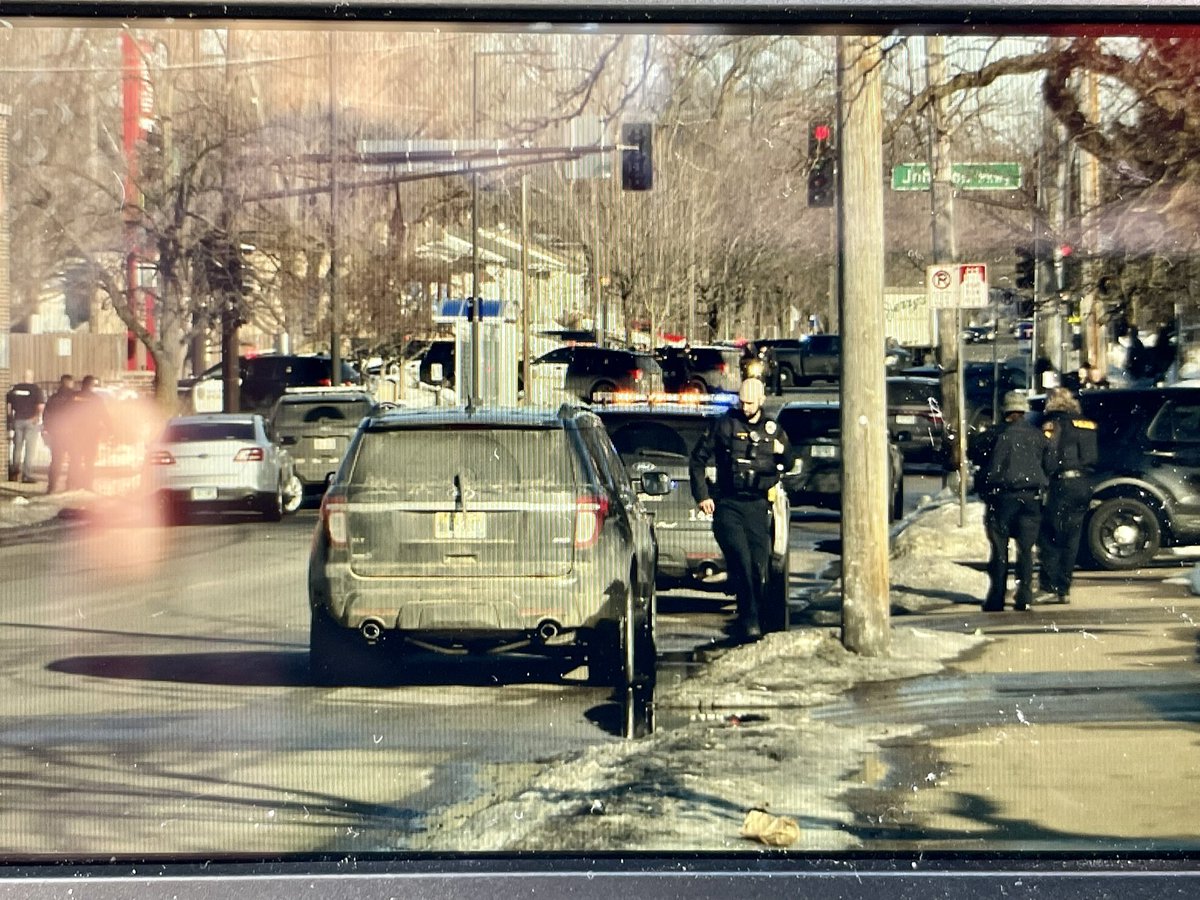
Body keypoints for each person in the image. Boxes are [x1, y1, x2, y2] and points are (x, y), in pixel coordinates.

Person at [689, 377, 793, 641]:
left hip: (758, 507)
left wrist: (782, 453)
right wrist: (702, 496)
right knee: (743, 562)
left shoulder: (773, 430)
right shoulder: (724, 425)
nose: (745, 407)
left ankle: (761, 619)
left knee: (760, 566)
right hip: (729, 506)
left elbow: (789, 461)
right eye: (742, 401)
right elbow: (697, 460)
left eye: (750, 402)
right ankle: (748, 621)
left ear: (761, 401)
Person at [977, 391, 1056, 613]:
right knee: (1026, 549)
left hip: (1001, 497)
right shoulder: (1038, 435)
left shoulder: (996, 434)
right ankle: (1025, 596)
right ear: (1023, 410)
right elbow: (1049, 465)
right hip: (1031, 498)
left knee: (999, 551)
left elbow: (978, 455)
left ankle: (996, 598)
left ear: (1005, 411)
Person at [1037, 387, 1099, 604]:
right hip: (1083, 483)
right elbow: (1092, 456)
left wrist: (1044, 477)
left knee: (1050, 534)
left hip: (1061, 483)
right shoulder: (1087, 423)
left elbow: (1050, 454)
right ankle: (1064, 587)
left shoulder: (1053, 423)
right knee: (1072, 537)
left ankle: (1049, 585)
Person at [65, 375, 111, 491]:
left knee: (75, 459)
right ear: (91, 385)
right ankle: (87, 485)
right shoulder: (96, 399)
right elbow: (104, 415)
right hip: (92, 434)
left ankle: (71, 484)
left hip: (76, 433)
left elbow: (66, 413)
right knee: (89, 461)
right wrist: (111, 429)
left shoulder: (74, 397)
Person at [6, 370, 44, 483]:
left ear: (23, 377)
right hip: (30, 421)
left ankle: (14, 473)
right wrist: (36, 417)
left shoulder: (15, 389)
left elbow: (8, 406)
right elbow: (41, 406)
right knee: (30, 449)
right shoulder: (36, 390)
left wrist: (10, 418)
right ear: (32, 377)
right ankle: (26, 475)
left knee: (17, 447)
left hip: (17, 420)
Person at [41, 374, 76, 494]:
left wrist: (49, 428)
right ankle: (70, 485)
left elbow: (46, 415)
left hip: (57, 434)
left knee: (56, 461)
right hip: (72, 433)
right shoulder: (75, 397)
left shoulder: (53, 398)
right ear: (70, 383)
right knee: (75, 459)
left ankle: (52, 487)